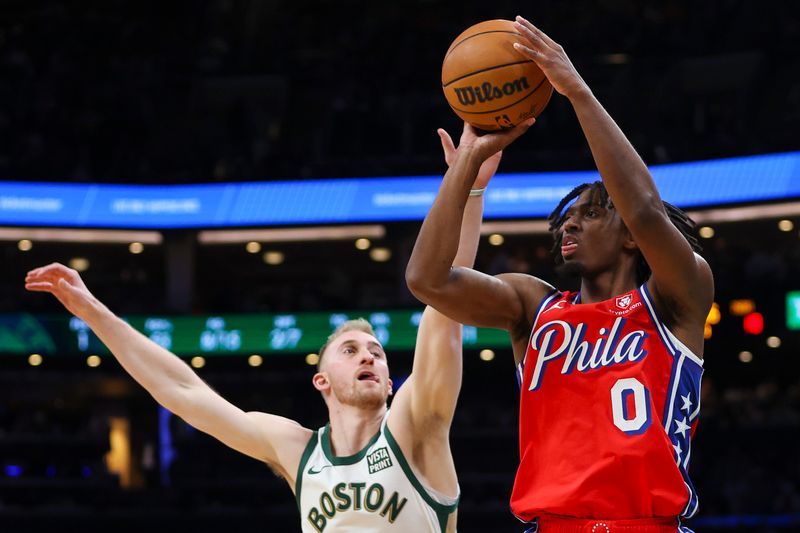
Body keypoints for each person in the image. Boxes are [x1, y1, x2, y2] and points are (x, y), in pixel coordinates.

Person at [23, 140, 502, 533]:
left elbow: (445, 301)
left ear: (391, 381)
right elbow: (182, 390)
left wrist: (469, 192)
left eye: (377, 352)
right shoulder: (297, 450)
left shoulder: (415, 425)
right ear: (322, 381)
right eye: (351, 350)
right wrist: (93, 311)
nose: (371, 357)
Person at [405, 15, 713, 533]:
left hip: (646, 523)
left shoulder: (677, 298)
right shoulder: (534, 306)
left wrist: (577, 93)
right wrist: (467, 171)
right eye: (568, 215)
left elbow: (642, 207)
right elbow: (427, 281)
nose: (570, 221)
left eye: (592, 213)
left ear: (631, 238)